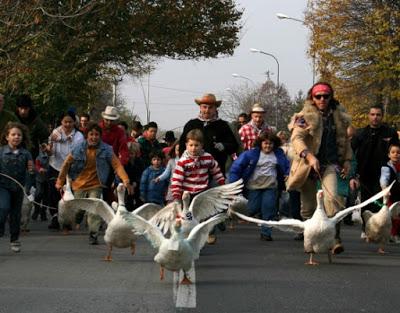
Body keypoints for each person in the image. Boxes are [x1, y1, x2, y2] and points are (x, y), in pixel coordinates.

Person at [286, 82, 352, 254]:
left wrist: (347, 160)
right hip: (307, 166)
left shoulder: (340, 117)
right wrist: (308, 155)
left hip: (329, 165)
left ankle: (334, 239)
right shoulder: (304, 116)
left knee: (332, 198)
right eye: (318, 96)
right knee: (307, 208)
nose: (322, 99)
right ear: (312, 98)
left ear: (331, 97)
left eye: (326, 96)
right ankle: (312, 237)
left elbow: (345, 141)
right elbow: (296, 139)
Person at [56, 122, 132, 244]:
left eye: (97, 134)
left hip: (96, 184)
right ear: (87, 136)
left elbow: (117, 165)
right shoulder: (78, 147)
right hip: (79, 183)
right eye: (91, 134)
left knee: (94, 208)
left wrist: (126, 180)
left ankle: (93, 233)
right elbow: (66, 164)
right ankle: (75, 219)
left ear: (100, 136)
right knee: (78, 210)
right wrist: (60, 181)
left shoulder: (106, 149)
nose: (94, 137)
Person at [229, 132, 289, 241]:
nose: (268, 146)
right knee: (253, 208)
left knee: (269, 208)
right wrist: (233, 184)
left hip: (271, 186)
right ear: (260, 144)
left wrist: (287, 173)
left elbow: (286, 165)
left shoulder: (278, 154)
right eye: (265, 143)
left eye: (270, 144)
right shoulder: (250, 154)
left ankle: (266, 232)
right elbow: (236, 168)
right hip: (254, 187)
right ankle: (237, 213)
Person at [351, 104, 399, 236]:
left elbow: (396, 151)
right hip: (365, 174)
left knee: (382, 203)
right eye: (372, 114)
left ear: (382, 116)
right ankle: (366, 229)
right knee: (366, 203)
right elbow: (351, 153)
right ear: (368, 116)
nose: (375, 117)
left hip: (385, 174)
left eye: (378, 115)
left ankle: (381, 230)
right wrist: (352, 174)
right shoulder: (360, 133)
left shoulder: (390, 132)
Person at [179, 93, 238, 176]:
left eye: (210, 107)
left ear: (215, 109)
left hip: (216, 172)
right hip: (193, 173)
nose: (207, 110)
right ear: (200, 107)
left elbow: (234, 146)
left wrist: (223, 146)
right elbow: (182, 146)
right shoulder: (191, 124)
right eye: (204, 107)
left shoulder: (222, 125)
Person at [46, 111, 85, 229]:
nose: (67, 124)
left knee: (69, 195)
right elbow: (50, 151)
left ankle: (67, 219)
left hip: (71, 169)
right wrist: (49, 146)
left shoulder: (79, 136)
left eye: (70, 122)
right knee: (54, 193)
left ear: (74, 123)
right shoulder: (55, 133)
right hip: (55, 166)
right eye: (65, 122)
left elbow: (77, 154)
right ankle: (55, 217)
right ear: (61, 122)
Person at [0, 122, 34, 253]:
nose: (16, 137)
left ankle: (14, 239)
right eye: (13, 134)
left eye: (19, 135)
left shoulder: (26, 154)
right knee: (3, 208)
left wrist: (31, 172)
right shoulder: (1, 151)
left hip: (19, 187)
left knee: (16, 215)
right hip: (3, 187)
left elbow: (31, 172)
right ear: (7, 137)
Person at [172, 129, 225, 202]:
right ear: (186, 145)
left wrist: (222, 184)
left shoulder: (208, 157)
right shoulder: (182, 161)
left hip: (203, 192)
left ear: (202, 145)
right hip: (187, 194)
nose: (193, 148)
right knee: (187, 213)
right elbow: (177, 180)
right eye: (191, 145)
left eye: (196, 145)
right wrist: (176, 197)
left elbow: (216, 172)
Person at [15, 94, 49, 159]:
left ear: (29, 108)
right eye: (21, 108)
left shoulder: (36, 120)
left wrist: (44, 144)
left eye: (25, 108)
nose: (23, 111)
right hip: (13, 153)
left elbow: (45, 136)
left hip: (30, 154)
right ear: (17, 107)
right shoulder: (13, 117)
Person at [380, 143, 400, 242]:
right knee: (392, 215)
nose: (396, 154)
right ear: (389, 155)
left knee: (397, 216)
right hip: (391, 195)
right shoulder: (386, 167)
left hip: (399, 195)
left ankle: (394, 233)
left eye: (398, 152)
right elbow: (384, 179)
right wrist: (385, 189)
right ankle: (391, 234)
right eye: (393, 152)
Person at [124, 141, 145, 211]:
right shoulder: (124, 162)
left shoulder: (140, 162)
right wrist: (128, 185)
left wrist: (134, 184)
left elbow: (140, 174)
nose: (130, 155)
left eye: (132, 154)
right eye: (129, 153)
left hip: (137, 185)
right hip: (126, 185)